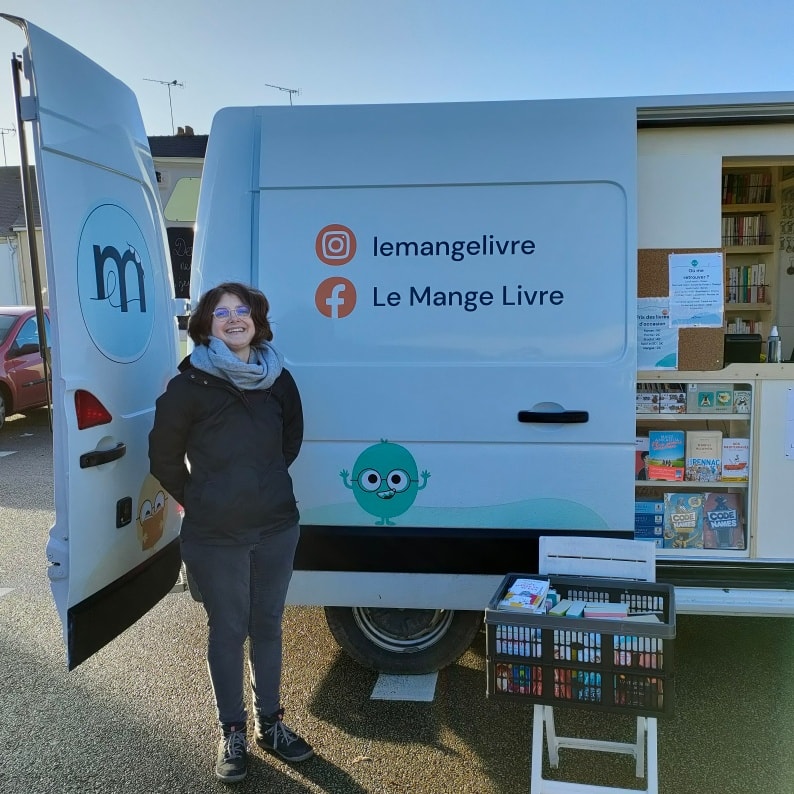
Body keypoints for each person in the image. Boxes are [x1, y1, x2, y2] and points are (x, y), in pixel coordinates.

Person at [148, 281, 312, 784]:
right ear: (205, 325)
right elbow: (163, 457)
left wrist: (262, 484)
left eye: (243, 311)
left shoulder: (279, 380)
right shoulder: (189, 385)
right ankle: (232, 730)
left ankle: (270, 724)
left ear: (257, 322)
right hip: (216, 534)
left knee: (268, 625)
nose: (234, 319)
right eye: (222, 313)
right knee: (228, 630)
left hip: (276, 526)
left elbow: (290, 441)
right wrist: (205, 498)